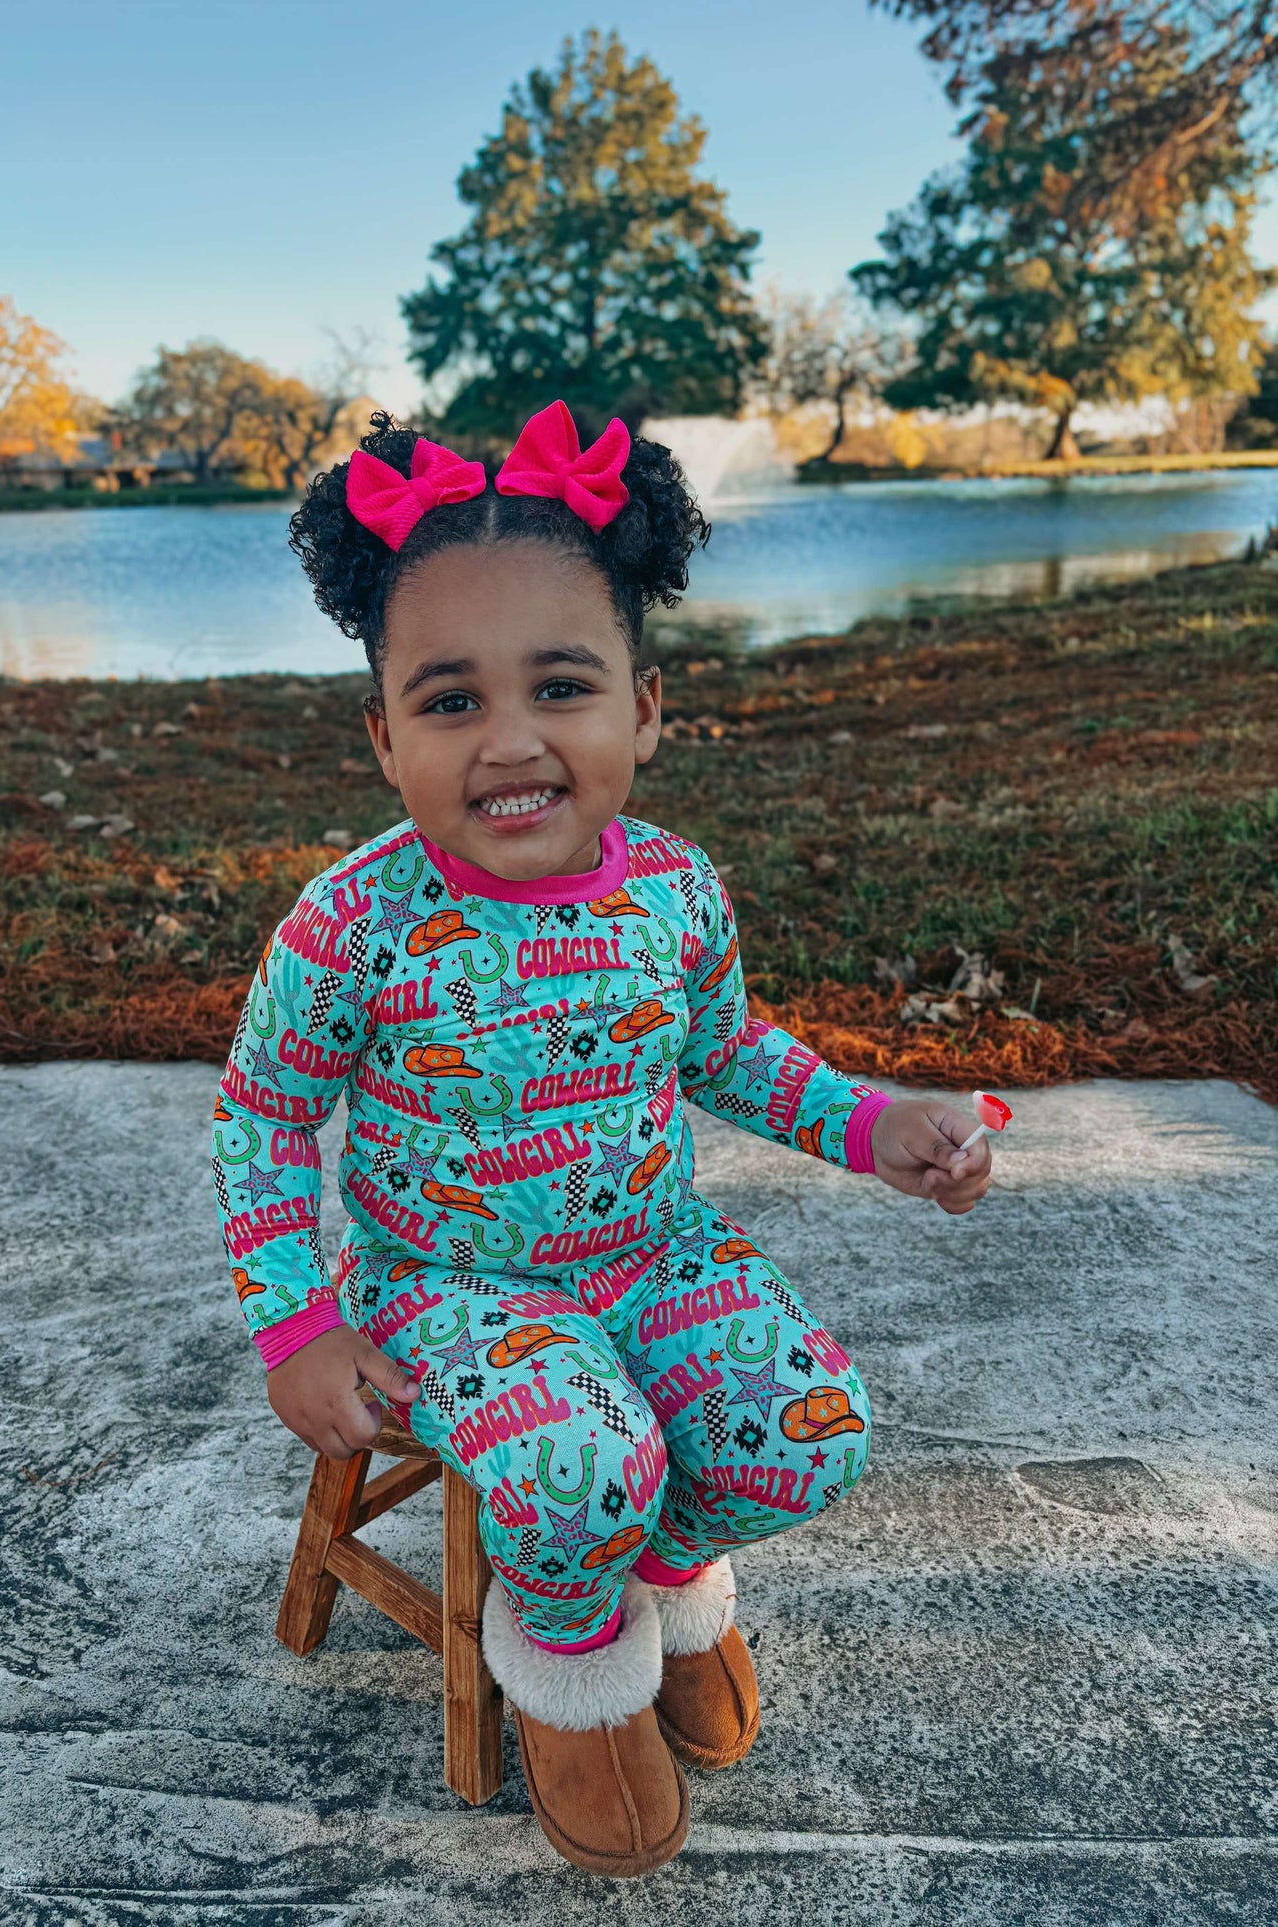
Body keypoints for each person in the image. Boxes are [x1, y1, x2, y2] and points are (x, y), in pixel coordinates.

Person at [210, 400, 991, 1877]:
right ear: (383, 739)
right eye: (450, 702)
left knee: (808, 1434)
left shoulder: (675, 890)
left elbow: (728, 1052)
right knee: (578, 1464)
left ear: (642, 707)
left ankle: (666, 1582)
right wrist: (297, 1325)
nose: (511, 741)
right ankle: (570, 1665)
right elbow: (263, 1122)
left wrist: (876, 1122)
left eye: (561, 686)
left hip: (651, 1255)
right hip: (450, 1289)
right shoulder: (350, 925)